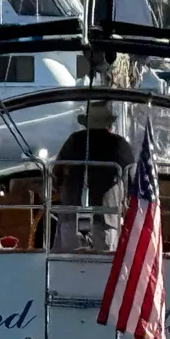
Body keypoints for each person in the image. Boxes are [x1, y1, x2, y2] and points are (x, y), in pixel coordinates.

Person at [52, 101, 135, 251]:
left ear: (87, 123)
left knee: (68, 258)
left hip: (71, 214)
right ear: (109, 124)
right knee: (104, 260)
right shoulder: (119, 144)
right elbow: (132, 178)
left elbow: (56, 173)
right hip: (106, 216)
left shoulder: (73, 140)